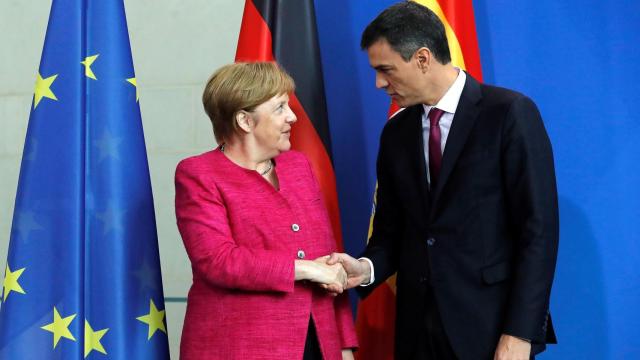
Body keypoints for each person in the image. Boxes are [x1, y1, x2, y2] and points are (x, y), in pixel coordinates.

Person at [327, 2, 559, 359]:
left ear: (422, 58)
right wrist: (365, 268)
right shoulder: (396, 133)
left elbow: (538, 232)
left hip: (490, 328)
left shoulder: (509, 114)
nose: (378, 83)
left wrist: (520, 333)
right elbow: (391, 231)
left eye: (385, 70)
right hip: (417, 331)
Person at [175, 62, 357, 360]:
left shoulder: (298, 167)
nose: (293, 117)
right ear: (245, 121)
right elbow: (218, 260)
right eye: (280, 108)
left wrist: (344, 346)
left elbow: (328, 259)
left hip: (317, 343)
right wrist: (305, 268)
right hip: (237, 345)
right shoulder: (198, 174)